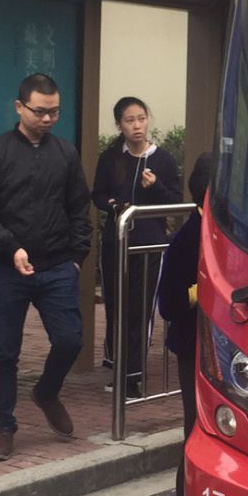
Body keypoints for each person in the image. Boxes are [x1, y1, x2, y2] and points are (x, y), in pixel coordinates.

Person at [0, 73, 92, 461]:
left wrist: (76, 258)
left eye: (54, 112)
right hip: (8, 269)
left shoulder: (66, 153)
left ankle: (46, 392)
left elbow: (79, 208)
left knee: (70, 339)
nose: (48, 119)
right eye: (40, 111)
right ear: (19, 107)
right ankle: (3, 427)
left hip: (57, 266)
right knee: (4, 351)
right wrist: (11, 247)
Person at [92, 96, 183, 398]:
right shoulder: (111, 158)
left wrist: (155, 186)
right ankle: (117, 366)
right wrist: (113, 205)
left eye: (141, 119)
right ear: (119, 125)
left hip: (149, 245)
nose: (137, 125)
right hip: (115, 243)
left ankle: (133, 375)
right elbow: (98, 194)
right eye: (129, 120)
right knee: (116, 306)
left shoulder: (163, 160)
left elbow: (175, 201)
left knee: (140, 309)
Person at [155, 152, 214, 496]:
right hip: (194, 349)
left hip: (232, 351)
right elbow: (169, 304)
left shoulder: (239, 233)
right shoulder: (187, 239)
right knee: (195, 435)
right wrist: (202, 291)